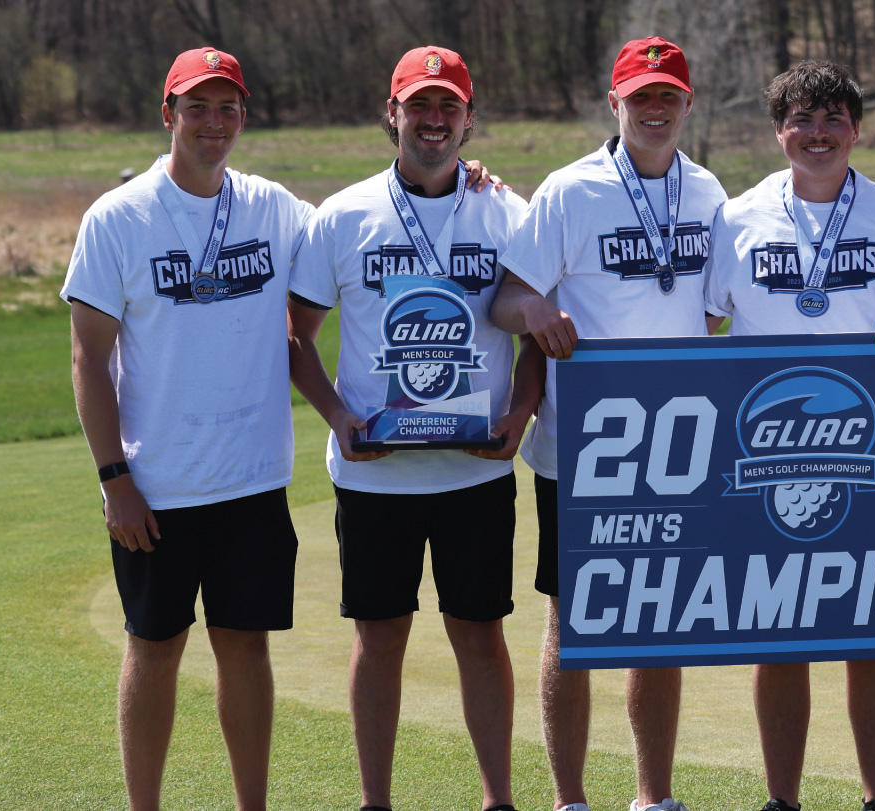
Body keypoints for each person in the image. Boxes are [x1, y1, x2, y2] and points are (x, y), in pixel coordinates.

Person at [286, 46, 540, 811]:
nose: (434, 120)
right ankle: (375, 801)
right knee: (380, 636)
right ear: (390, 113)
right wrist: (339, 417)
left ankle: (498, 799)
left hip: (476, 469)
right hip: (374, 470)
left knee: (480, 635)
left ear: (468, 118)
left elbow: (539, 334)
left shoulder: (506, 209)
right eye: (419, 105)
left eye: (449, 106)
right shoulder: (342, 214)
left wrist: (520, 415)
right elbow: (295, 337)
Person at [62, 47, 314, 811]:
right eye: (197, 107)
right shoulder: (118, 217)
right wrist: (115, 479)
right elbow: (87, 358)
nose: (214, 122)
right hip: (156, 488)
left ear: (244, 115)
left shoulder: (273, 207)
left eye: (228, 107)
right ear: (167, 115)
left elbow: (358, 238)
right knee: (154, 647)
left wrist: (476, 180)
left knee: (245, 647)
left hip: (252, 479)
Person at [702, 59, 875, 811]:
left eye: (832, 119)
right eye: (801, 120)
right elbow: (702, 323)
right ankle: (783, 799)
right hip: (765, 455)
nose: (818, 134)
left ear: (856, 129)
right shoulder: (736, 217)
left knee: (872, 633)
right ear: (778, 131)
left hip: (873, 452)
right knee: (778, 637)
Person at [488, 35, 728, 811]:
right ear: (614, 104)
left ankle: (653, 797)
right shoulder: (569, 190)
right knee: (576, 624)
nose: (655, 108)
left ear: (688, 104)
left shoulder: (709, 193)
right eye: (641, 95)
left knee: (659, 625)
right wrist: (538, 311)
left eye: (669, 95)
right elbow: (505, 298)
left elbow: (722, 311)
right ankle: (570, 799)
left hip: (679, 449)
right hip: (582, 449)